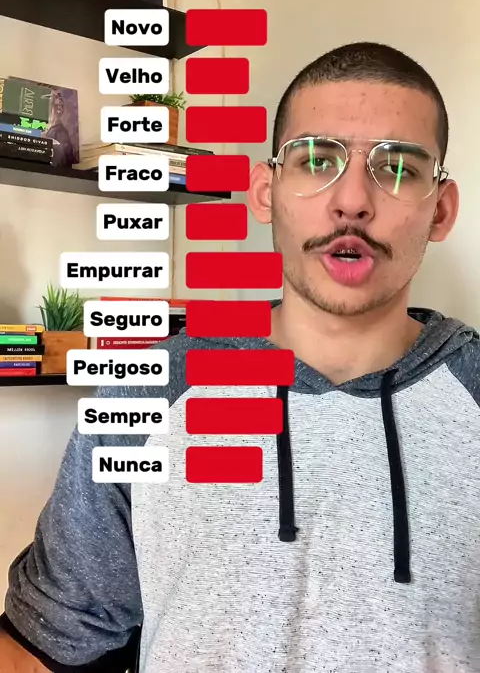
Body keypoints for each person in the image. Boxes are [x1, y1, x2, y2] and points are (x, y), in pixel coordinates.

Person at [1, 42, 479, 673]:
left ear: (440, 209)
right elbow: (41, 649)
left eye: (398, 168)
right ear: (265, 192)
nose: (353, 200)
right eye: (316, 160)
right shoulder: (147, 393)